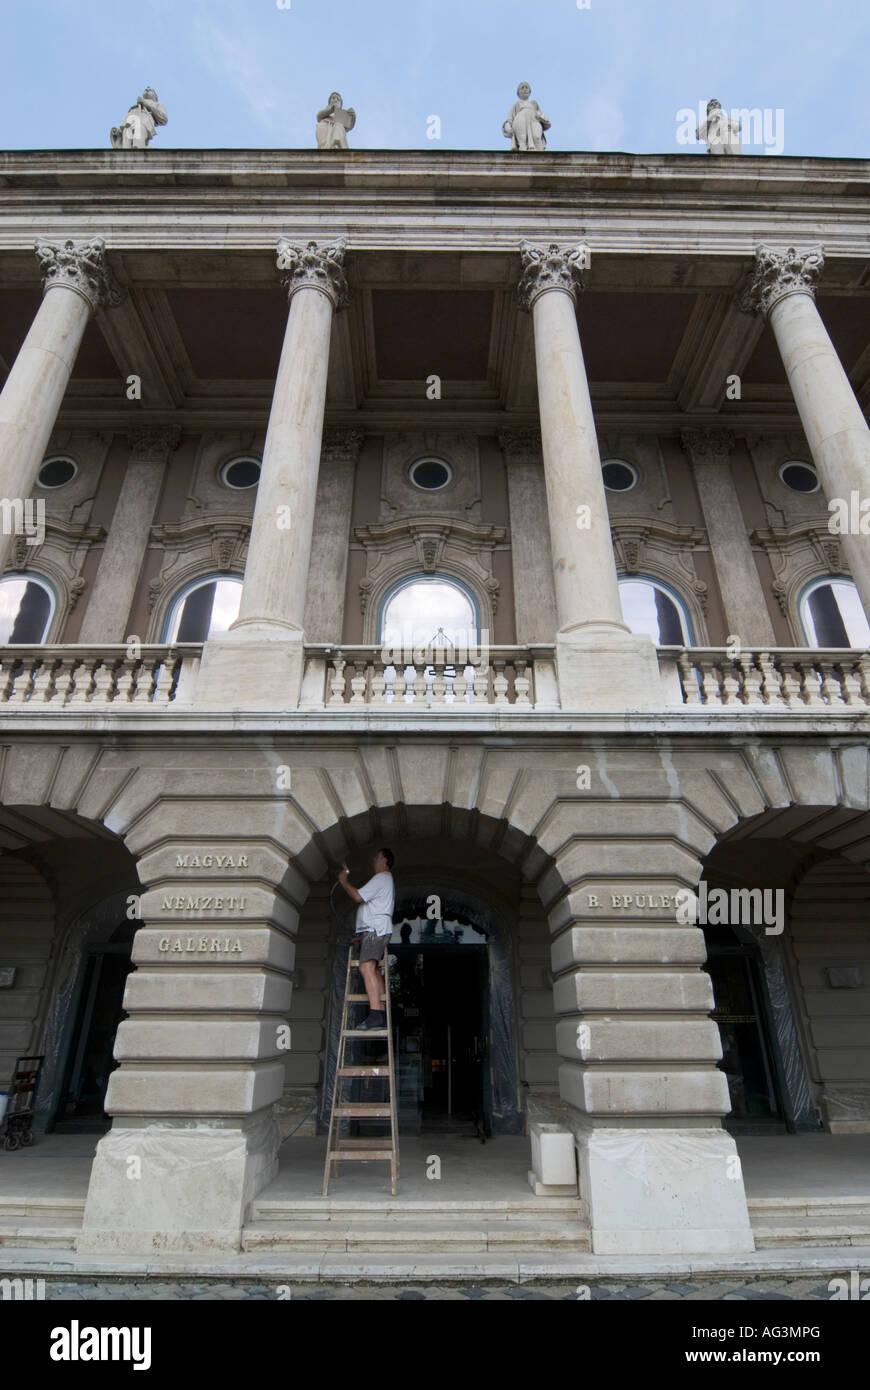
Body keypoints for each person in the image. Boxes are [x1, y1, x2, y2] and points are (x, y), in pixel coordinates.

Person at [338, 848, 395, 1030]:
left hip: (375, 931)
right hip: (374, 931)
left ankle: (376, 1013)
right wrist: (362, 937)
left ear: (385, 861)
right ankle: (381, 1012)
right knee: (375, 970)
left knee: (365, 967)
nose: (374, 859)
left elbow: (357, 896)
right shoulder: (385, 880)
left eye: (377, 857)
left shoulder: (381, 877)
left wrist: (344, 881)